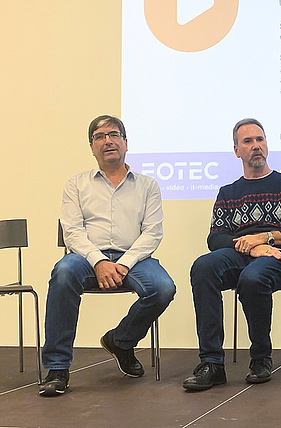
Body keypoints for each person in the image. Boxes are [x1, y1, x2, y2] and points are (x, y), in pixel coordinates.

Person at [40, 115, 176, 397]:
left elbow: (152, 233)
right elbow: (72, 232)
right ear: (92, 147)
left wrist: (123, 264)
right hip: (86, 258)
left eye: (113, 135)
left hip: (134, 257)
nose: (107, 141)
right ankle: (57, 368)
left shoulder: (148, 185)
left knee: (163, 288)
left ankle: (121, 340)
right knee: (63, 273)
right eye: (99, 137)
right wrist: (99, 261)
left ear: (125, 143)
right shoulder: (76, 184)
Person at [182, 119, 281, 391]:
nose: (256, 146)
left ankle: (260, 358)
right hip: (242, 254)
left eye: (260, 140)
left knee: (254, 277)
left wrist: (267, 238)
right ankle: (211, 363)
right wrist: (253, 246)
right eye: (248, 142)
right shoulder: (228, 193)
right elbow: (216, 238)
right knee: (203, 267)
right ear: (236, 151)